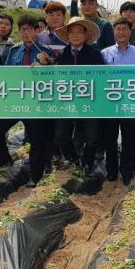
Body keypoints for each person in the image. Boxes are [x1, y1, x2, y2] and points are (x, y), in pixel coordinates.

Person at [0, 15, 53, 186]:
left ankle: (35, 175)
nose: (25, 33)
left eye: (29, 29)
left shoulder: (46, 52)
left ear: (37, 31)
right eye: (22, 29)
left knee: (37, 140)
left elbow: (55, 77)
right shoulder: (14, 51)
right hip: (16, 102)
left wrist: (46, 65)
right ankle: (5, 162)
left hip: (36, 104)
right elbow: (7, 75)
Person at [54, 17, 104, 173]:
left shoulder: (95, 54)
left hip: (89, 101)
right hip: (66, 101)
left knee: (92, 136)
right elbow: (53, 76)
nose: (75, 35)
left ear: (85, 35)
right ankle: (74, 160)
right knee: (60, 135)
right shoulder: (61, 54)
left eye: (79, 32)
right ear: (67, 35)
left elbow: (101, 77)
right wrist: (42, 64)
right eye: (72, 32)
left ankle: (88, 164)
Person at [101, 18, 135, 185]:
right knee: (110, 139)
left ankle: (127, 171)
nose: (121, 32)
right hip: (110, 104)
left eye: (124, 29)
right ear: (114, 32)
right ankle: (111, 171)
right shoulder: (105, 54)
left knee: (129, 139)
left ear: (130, 31)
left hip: (131, 104)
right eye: (118, 29)